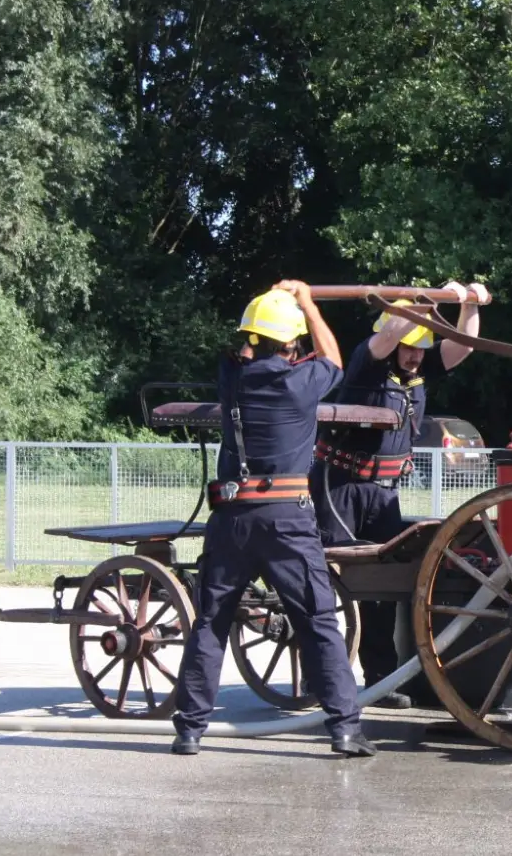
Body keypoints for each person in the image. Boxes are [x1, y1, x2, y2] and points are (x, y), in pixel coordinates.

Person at [171, 281, 374, 757]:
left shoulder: (232, 377)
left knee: (211, 623)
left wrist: (269, 307)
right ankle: (345, 730)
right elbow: (334, 359)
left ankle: (189, 731)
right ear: (292, 344)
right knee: (318, 621)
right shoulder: (301, 382)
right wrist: (307, 303)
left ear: (252, 338)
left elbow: (244, 350)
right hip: (287, 521)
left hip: (232, 518)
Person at [311, 281, 487, 707]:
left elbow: (464, 345)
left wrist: (468, 304)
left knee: (383, 588)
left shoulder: (420, 371)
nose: (414, 355)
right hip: (340, 486)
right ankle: (323, 680)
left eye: (420, 348)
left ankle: (379, 681)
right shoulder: (367, 362)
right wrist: (428, 301)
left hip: (384, 492)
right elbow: (391, 331)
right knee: (331, 583)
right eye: (409, 348)